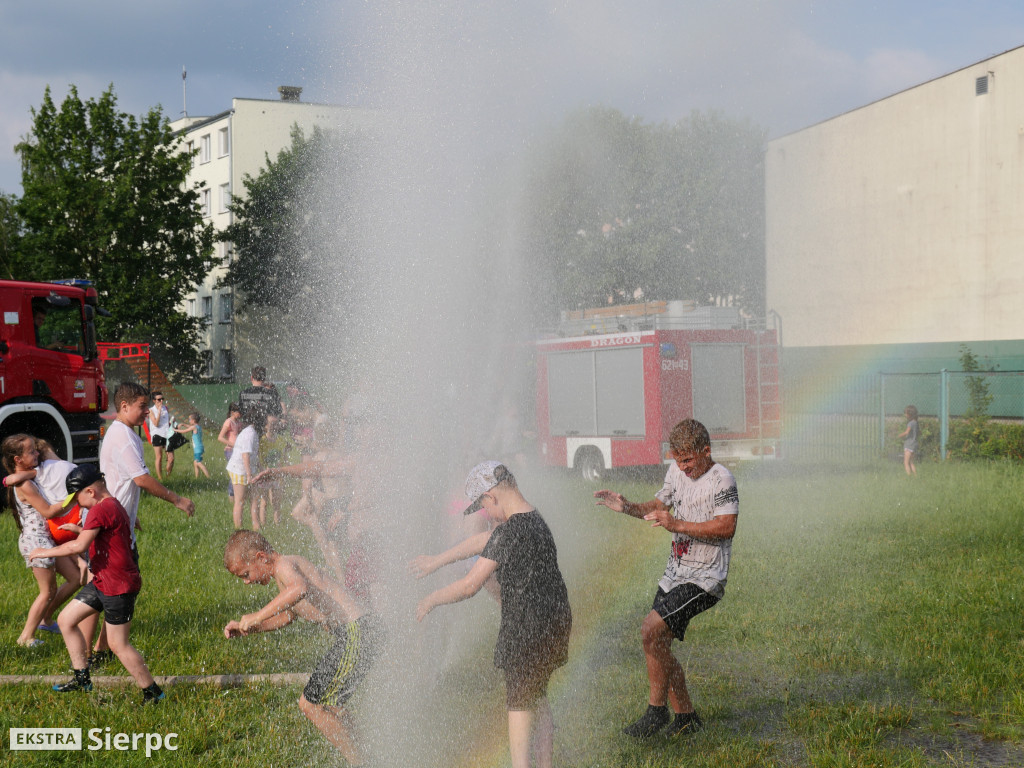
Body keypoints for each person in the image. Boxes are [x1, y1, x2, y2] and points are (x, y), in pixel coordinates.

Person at [415, 461, 572, 768]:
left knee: (519, 705)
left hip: (526, 630)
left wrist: (431, 599)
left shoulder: (511, 531)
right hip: (554, 623)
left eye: (483, 506)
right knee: (538, 696)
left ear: (491, 496)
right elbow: (482, 542)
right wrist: (437, 561)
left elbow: (470, 584)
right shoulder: (533, 520)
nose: (486, 515)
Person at [594, 418, 738, 739]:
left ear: (706, 451)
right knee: (657, 642)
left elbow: (726, 526)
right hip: (675, 574)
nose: (683, 467)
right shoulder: (676, 471)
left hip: (705, 579)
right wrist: (627, 506)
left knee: (650, 629)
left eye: (688, 460)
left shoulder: (721, 480)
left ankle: (655, 713)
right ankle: (686, 718)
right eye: (677, 460)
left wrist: (678, 525)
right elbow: (658, 506)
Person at [222, 530, 381, 765]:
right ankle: (367, 756)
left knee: (311, 705)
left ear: (261, 557)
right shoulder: (281, 577)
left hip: (358, 632)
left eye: (246, 574)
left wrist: (256, 615)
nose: (247, 581)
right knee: (329, 706)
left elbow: (300, 589)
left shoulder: (285, 565)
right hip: (359, 633)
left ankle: (361, 763)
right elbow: (288, 614)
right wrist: (251, 628)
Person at [28, 464, 165, 702]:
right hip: (103, 581)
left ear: (90, 491)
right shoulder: (110, 505)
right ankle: (82, 679)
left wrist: (43, 551)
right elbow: (103, 534)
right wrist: (79, 528)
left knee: (117, 644)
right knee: (66, 620)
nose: (77, 505)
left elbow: (79, 546)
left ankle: (153, 692)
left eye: (78, 498)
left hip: (118, 587)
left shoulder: (100, 510)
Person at [94, 381, 194, 666]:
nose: (148, 410)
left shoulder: (119, 433)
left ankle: (100, 652)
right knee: (111, 595)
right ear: (124, 406)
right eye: (142, 406)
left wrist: (128, 512)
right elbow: (141, 479)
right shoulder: (126, 437)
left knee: (108, 594)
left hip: (116, 526)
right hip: (115, 535)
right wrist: (177, 500)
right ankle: (98, 654)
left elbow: (117, 479)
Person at [2, 434, 86, 646]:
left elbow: (47, 470)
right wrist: (71, 498)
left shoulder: (28, 477)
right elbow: (48, 512)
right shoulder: (25, 486)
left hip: (46, 539)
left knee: (75, 577)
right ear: (17, 460)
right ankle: (26, 637)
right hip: (36, 542)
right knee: (47, 591)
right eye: (31, 452)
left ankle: (46, 620)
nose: (37, 453)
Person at [226, 407, 263, 530]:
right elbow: (245, 455)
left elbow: (253, 454)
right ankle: (239, 530)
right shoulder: (249, 433)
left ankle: (256, 526)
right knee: (240, 501)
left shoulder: (253, 432)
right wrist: (249, 474)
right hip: (240, 469)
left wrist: (259, 468)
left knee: (255, 498)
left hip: (248, 470)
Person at [147, 392, 175, 481]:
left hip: (167, 434)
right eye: (159, 399)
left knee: (171, 458)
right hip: (157, 434)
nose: (161, 401)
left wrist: (173, 424)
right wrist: (158, 412)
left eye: (162, 399)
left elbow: (167, 422)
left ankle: (168, 476)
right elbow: (155, 423)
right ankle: (160, 479)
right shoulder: (151, 410)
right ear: (154, 401)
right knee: (159, 457)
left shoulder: (166, 408)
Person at [175, 411, 210, 479]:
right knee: (195, 464)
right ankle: (197, 478)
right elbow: (189, 426)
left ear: (193, 420)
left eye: (189, 419)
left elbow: (184, 431)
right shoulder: (197, 426)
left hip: (197, 448)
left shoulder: (193, 427)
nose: (189, 421)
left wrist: (175, 430)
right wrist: (183, 424)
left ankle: (208, 477)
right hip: (200, 447)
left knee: (198, 463)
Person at [218, 403, 242, 499]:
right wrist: (234, 445)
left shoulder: (238, 422)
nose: (241, 413)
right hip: (230, 451)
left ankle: (237, 495)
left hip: (238, 451)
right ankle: (231, 496)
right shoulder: (228, 422)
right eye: (239, 412)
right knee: (234, 473)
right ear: (232, 412)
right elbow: (220, 437)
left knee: (239, 473)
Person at [898, 405, 919, 477]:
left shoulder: (910, 423)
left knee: (906, 462)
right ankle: (916, 476)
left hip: (909, 445)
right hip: (914, 444)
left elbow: (907, 432)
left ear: (910, 414)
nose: (905, 415)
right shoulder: (916, 422)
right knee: (911, 462)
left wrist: (899, 435)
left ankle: (909, 476)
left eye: (906, 413)